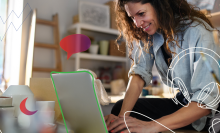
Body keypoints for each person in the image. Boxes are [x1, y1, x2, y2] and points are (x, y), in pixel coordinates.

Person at [104, 0, 220, 133]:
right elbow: (138, 75)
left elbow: (206, 102)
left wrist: (152, 126)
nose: (137, 23)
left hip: (210, 111)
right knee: (120, 109)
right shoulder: (150, 33)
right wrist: (121, 119)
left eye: (141, 14)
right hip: (184, 102)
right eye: (132, 17)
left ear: (160, 5)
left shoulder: (199, 32)